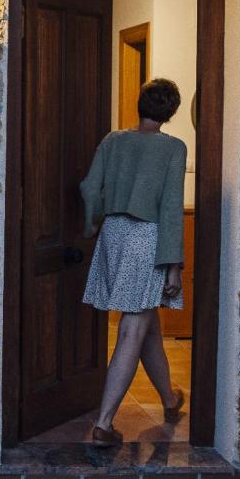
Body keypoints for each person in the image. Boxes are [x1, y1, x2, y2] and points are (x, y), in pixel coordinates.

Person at [79, 78, 187, 447]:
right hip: (147, 239)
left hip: (113, 234)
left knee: (146, 325)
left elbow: (90, 187)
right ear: (170, 113)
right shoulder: (174, 148)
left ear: (140, 104)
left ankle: (170, 402)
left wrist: (93, 224)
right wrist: (173, 264)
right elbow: (171, 209)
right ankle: (105, 424)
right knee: (132, 329)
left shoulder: (113, 140)